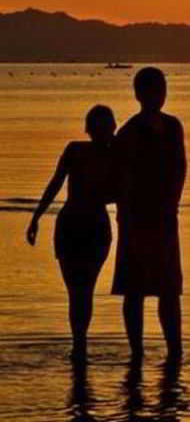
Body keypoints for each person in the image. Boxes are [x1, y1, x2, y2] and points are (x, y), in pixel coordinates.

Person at [26, 105, 116, 361]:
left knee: (83, 290)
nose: (102, 133)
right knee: (77, 291)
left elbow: (121, 192)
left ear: (112, 129)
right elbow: (56, 182)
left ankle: (79, 345)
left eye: (107, 128)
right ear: (89, 130)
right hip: (71, 227)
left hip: (95, 228)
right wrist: (36, 216)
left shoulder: (116, 155)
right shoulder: (75, 150)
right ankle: (79, 344)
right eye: (98, 128)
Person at [112, 67, 186, 363]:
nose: (161, 94)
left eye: (163, 88)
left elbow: (180, 167)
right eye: (156, 89)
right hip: (135, 218)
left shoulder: (172, 126)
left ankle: (175, 350)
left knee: (170, 288)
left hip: (165, 216)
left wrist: (173, 203)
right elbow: (122, 178)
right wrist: (125, 214)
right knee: (135, 288)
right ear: (140, 94)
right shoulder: (128, 132)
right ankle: (137, 352)